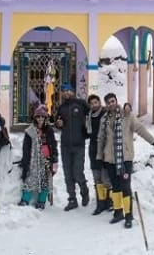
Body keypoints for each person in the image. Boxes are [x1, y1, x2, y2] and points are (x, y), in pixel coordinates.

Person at [97, 93, 154, 229]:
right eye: (108, 102)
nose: (111, 104)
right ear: (106, 105)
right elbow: (101, 139)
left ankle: (128, 215)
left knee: (125, 186)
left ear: (116, 101)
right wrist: (100, 157)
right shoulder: (104, 119)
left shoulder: (127, 116)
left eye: (113, 101)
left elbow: (141, 130)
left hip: (125, 158)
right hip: (109, 159)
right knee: (115, 187)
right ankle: (118, 212)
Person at [54, 82, 90, 211]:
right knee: (68, 174)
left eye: (68, 90)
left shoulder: (81, 104)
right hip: (65, 145)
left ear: (73, 91)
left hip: (79, 144)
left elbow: (93, 114)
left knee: (77, 172)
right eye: (64, 90)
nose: (66, 92)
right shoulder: (61, 107)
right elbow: (56, 123)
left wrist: (88, 130)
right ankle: (72, 199)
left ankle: (84, 192)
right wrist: (58, 124)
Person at [19, 106, 58, 210]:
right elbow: (26, 148)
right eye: (38, 117)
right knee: (30, 179)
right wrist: (25, 161)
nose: (40, 119)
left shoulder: (49, 130)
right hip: (33, 159)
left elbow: (53, 145)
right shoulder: (30, 131)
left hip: (46, 159)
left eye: (42, 117)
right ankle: (25, 200)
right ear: (35, 118)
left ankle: (41, 201)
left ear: (45, 118)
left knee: (45, 180)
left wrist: (54, 158)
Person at [86, 94, 111, 215]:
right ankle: (100, 203)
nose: (94, 105)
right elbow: (86, 133)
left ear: (99, 102)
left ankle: (109, 202)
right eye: (91, 103)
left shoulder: (106, 114)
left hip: (104, 149)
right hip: (93, 149)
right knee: (96, 178)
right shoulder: (89, 116)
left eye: (96, 102)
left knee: (105, 177)